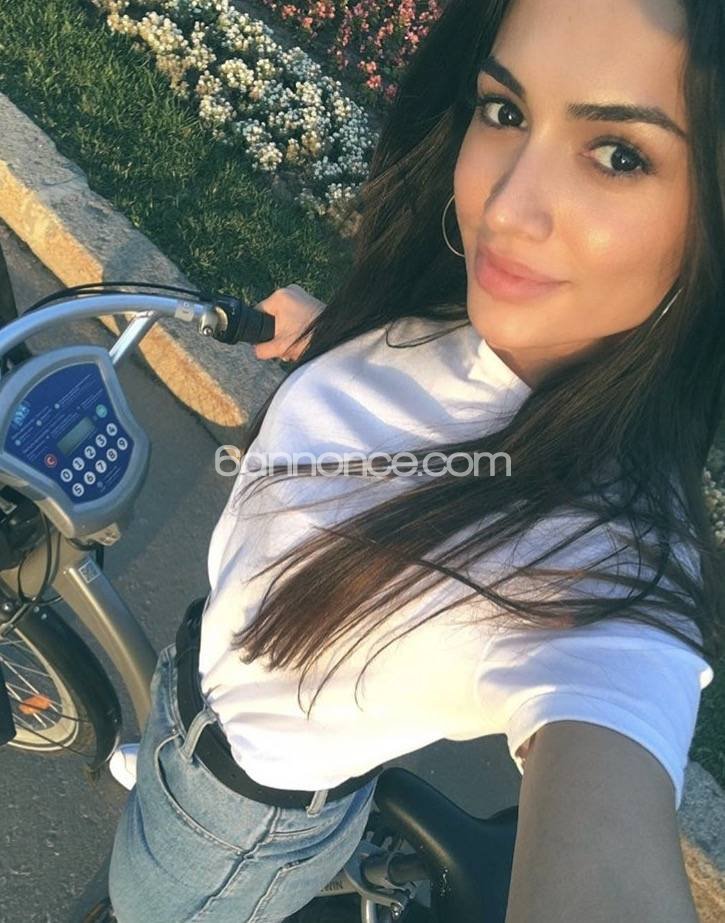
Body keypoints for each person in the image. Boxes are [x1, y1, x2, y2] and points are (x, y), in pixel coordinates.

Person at [107, 0, 725, 920]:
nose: (504, 207)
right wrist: (335, 338)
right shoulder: (468, 307)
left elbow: (608, 807)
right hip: (196, 691)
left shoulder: (607, 566)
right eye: (504, 110)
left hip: (237, 823)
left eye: (618, 155)